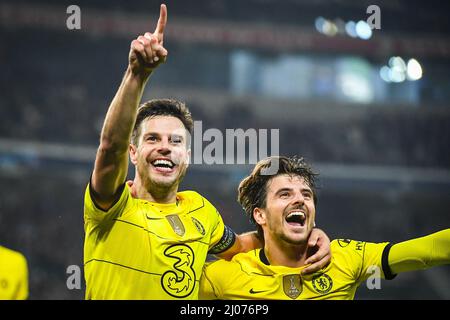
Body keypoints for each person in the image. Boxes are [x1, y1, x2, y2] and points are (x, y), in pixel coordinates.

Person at [84, 4, 330, 300]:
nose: (165, 146)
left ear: (186, 157)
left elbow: (241, 245)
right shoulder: (113, 205)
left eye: (176, 141)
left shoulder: (200, 211)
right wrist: (136, 75)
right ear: (134, 153)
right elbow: (110, 148)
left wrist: (308, 237)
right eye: (153, 139)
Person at [199, 156, 450, 300]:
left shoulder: (347, 258)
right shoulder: (225, 275)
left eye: (306, 195)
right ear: (260, 214)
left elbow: (429, 250)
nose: (299, 199)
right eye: (284, 194)